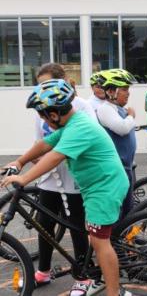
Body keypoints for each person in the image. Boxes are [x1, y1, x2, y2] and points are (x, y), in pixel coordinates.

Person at [0, 79, 130, 296]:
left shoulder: (80, 127)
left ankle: (114, 293)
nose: (42, 119)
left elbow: (54, 156)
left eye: (42, 115)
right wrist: (20, 162)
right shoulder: (72, 123)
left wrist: (24, 178)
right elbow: (45, 144)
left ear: (53, 114)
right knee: (92, 235)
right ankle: (98, 277)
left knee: (100, 241)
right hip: (93, 186)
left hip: (105, 187)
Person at [33, 64, 101, 295]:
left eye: (46, 84)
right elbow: (42, 142)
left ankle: (83, 274)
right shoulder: (42, 109)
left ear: (62, 83)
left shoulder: (81, 108)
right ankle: (42, 271)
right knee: (44, 224)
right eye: (38, 85)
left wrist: (47, 159)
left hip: (74, 177)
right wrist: (31, 159)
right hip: (49, 178)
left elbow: (78, 143)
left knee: (76, 226)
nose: (41, 89)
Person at [96, 69, 137, 216]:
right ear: (112, 91)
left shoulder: (118, 109)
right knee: (119, 211)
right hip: (116, 169)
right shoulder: (105, 109)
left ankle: (124, 236)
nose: (128, 93)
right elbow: (122, 128)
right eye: (124, 89)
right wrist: (131, 116)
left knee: (128, 209)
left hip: (125, 166)